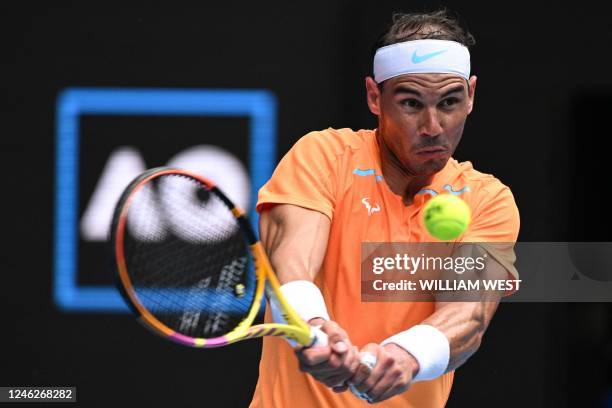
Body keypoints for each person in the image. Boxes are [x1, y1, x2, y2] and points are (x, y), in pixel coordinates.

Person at [249, 9, 520, 408]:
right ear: (375, 98)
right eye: (411, 103)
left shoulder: (488, 200)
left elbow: (469, 318)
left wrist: (407, 356)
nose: (433, 126)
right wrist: (313, 328)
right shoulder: (324, 156)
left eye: (449, 102)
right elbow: (291, 264)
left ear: (472, 96)